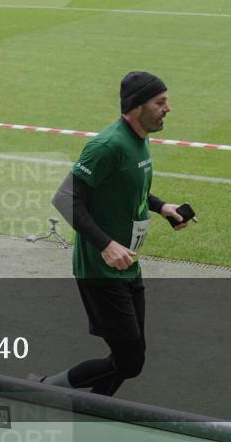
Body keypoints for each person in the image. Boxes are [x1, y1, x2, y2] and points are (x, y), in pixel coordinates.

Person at [44, 71, 194, 396]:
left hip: (128, 264)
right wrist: (106, 245)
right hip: (101, 269)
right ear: (137, 106)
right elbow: (65, 198)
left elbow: (129, 191)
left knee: (128, 357)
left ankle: (93, 408)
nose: (168, 109)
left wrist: (162, 207)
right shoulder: (108, 145)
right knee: (130, 361)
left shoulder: (140, 140)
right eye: (160, 102)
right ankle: (45, 388)